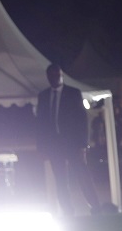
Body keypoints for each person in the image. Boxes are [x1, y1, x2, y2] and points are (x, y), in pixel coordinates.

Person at [34, 63, 104, 216]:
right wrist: (41, 147)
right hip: (54, 146)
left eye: (58, 75)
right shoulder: (44, 96)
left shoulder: (73, 93)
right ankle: (68, 211)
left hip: (73, 144)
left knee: (82, 176)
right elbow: (40, 123)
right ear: (48, 77)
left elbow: (82, 120)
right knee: (60, 180)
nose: (56, 78)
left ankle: (95, 207)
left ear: (61, 76)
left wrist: (83, 145)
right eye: (53, 76)